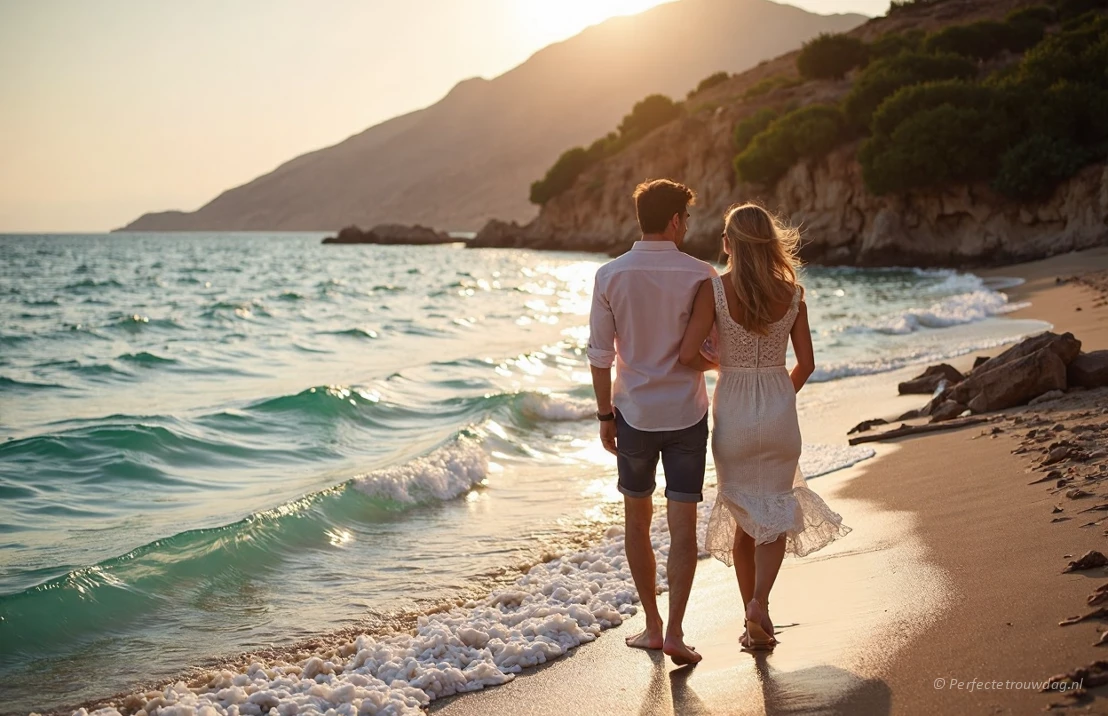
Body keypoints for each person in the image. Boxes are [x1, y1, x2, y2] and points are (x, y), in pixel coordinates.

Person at [678, 203, 850, 650]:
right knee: (772, 514)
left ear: (729, 243)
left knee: (742, 519)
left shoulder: (713, 289)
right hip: (778, 407)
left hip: (732, 411)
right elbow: (807, 364)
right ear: (771, 242)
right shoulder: (792, 294)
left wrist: (719, 363)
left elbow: (686, 355)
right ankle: (760, 606)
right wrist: (777, 398)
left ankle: (751, 615)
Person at [587, 179, 717, 666]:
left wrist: (605, 416)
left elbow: (600, 356)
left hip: (634, 417)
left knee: (636, 523)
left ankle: (653, 625)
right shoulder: (702, 274)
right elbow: (710, 350)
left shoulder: (610, 275)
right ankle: (677, 633)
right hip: (687, 415)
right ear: (675, 220)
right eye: (687, 217)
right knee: (682, 525)